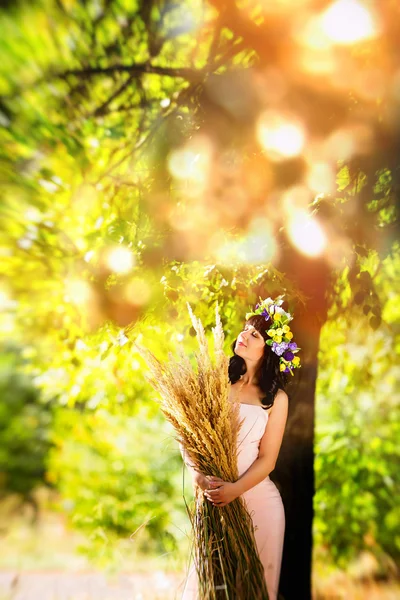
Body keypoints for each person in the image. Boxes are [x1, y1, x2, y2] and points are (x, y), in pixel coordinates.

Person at [180, 296, 300, 600]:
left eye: (254, 334)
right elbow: (188, 435)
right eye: (245, 329)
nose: (243, 335)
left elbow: (267, 460)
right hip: (214, 497)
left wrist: (236, 489)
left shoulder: (276, 399)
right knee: (210, 587)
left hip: (261, 504)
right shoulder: (215, 381)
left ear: (270, 349)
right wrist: (199, 476)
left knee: (257, 591)